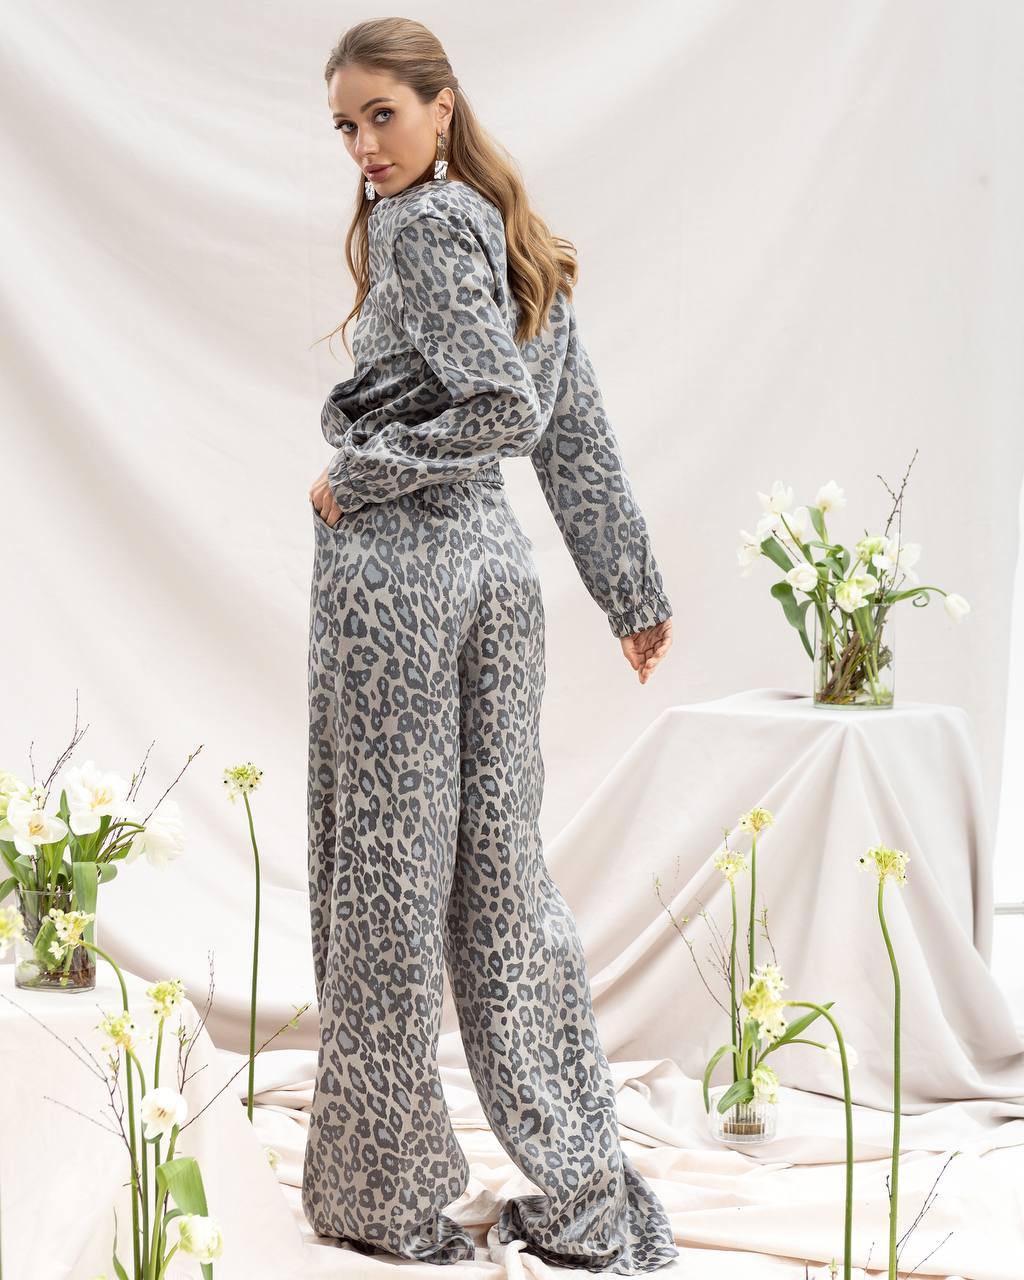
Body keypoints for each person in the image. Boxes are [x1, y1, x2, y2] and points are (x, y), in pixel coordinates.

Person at [303, 17, 678, 1275]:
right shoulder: (523, 247)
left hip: (399, 582)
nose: (363, 146)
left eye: (381, 116)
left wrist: (363, 472)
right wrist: (632, 593)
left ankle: (383, 1192)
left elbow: (503, 408)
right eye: (346, 127)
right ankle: (581, 1190)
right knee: (508, 893)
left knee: (386, 891)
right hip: (500, 585)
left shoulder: (419, 230)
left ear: (442, 106)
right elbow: (571, 436)